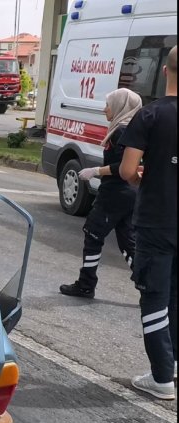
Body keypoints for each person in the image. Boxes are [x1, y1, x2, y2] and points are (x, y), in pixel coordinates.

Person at [119, 46, 177, 400]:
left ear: (166, 70)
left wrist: (142, 178)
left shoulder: (150, 115)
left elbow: (127, 170)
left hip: (157, 221)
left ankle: (161, 377)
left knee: (155, 296)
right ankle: (173, 365)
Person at [59, 88, 142, 299]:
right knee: (127, 242)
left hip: (115, 193)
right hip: (130, 193)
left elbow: (123, 167)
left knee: (93, 234)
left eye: (109, 105)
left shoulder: (122, 131)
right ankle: (148, 285)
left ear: (120, 107)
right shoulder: (135, 129)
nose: (105, 109)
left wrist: (96, 171)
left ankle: (86, 284)